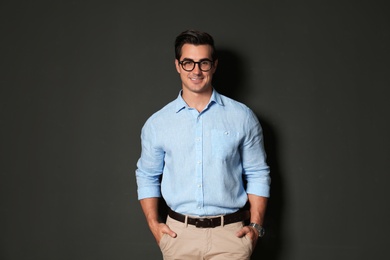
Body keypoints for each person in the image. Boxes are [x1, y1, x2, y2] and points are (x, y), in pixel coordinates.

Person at [135, 29, 271, 260]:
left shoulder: (242, 117)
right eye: (188, 63)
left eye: (203, 63)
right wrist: (154, 225)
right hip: (178, 237)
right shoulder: (158, 123)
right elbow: (147, 175)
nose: (196, 71)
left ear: (214, 65)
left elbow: (258, 172)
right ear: (177, 65)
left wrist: (256, 227)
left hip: (231, 237)